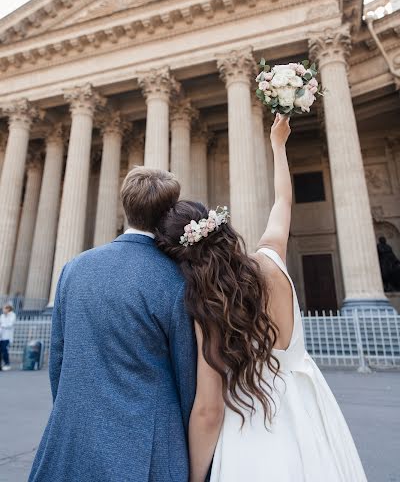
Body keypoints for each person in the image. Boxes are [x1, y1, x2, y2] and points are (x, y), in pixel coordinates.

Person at [156, 113, 367, 482]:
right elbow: (283, 201)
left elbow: (208, 410)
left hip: (251, 421)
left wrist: (191, 476)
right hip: (309, 407)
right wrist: (277, 145)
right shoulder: (271, 258)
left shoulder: (210, 306)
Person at [29, 168, 197, 482]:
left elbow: (59, 361)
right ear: (168, 212)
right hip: (150, 446)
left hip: (74, 436)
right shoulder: (176, 279)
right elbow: (188, 378)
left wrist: (75, 410)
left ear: (125, 207)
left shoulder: (73, 269)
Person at [0, 304, 17, 371]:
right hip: (1, 336)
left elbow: (10, 324)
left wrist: (2, 325)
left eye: (4, 308)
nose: (3, 310)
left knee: (4, 350)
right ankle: (1, 365)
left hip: (7, 336)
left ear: (8, 309)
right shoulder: (2, 316)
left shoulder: (12, 315)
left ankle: (7, 364)